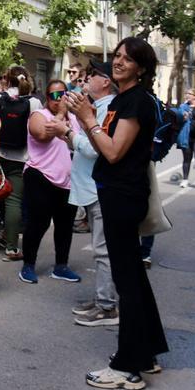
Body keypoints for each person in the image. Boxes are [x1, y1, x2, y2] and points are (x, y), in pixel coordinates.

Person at [68, 38, 168, 390]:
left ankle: (128, 367)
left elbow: (112, 152)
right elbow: (102, 145)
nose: (119, 62)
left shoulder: (137, 101)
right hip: (114, 194)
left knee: (128, 282)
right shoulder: (123, 100)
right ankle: (148, 352)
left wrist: (87, 119)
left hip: (124, 197)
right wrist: (85, 120)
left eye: (128, 58)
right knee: (134, 279)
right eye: (117, 56)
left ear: (142, 68)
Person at [69, 59, 119, 328]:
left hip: (98, 189)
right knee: (101, 250)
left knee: (103, 251)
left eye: (92, 74)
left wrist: (68, 133)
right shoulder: (97, 107)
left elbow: (93, 149)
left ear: (106, 81)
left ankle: (107, 306)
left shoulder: (107, 109)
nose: (86, 78)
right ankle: (102, 299)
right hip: (91, 188)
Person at [19, 80, 82, 285]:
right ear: (47, 98)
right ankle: (28, 265)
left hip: (68, 181)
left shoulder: (75, 118)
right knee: (38, 224)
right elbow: (42, 135)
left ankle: (61, 266)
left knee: (65, 225)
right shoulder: (39, 115)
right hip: (40, 176)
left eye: (63, 94)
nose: (59, 99)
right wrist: (61, 114)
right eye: (55, 96)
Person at [0, 65, 42, 262]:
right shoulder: (34, 103)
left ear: (6, 80)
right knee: (14, 201)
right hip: (21, 158)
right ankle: (11, 248)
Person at [176, 90, 195, 190]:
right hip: (186, 136)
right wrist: (182, 117)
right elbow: (179, 118)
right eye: (186, 93)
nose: (187, 95)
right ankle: (185, 180)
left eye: (189, 94)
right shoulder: (183, 106)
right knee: (186, 159)